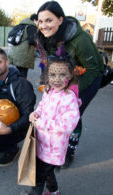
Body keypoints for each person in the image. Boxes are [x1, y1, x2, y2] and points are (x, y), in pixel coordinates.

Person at [37, 1, 104, 168]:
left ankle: (69, 151)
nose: (43, 25)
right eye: (40, 21)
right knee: (55, 108)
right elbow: (49, 63)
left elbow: (93, 69)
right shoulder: (45, 37)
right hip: (65, 76)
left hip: (89, 76)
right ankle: (53, 145)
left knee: (74, 112)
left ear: (60, 20)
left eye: (48, 20)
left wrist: (71, 92)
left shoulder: (80, 40)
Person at [27, 54, 80, 195]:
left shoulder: (69, 98)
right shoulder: (49, 91)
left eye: (62, 74)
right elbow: (42, 105)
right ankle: (54, 191)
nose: (57, 79)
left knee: (39, 176)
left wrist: (41, 123)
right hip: (41, 142)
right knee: (47, 172)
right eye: (53, 74)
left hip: (54, 148)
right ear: (47, 75)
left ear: (70, 76)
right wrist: (36, 113)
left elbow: (67, 125)